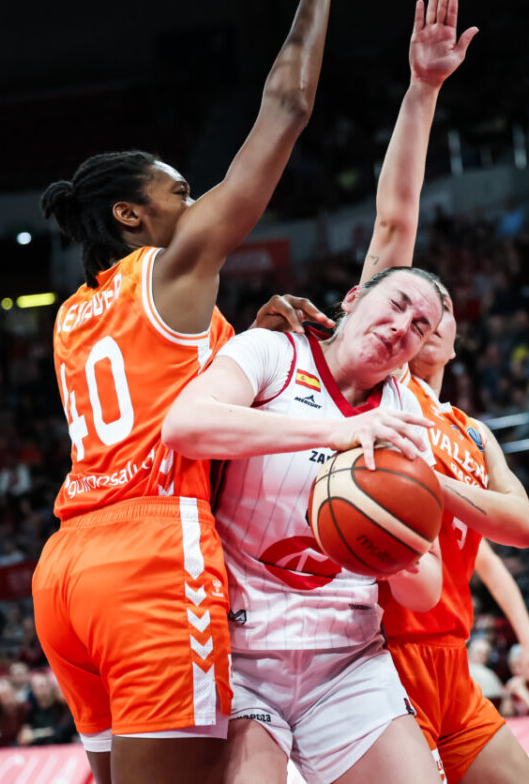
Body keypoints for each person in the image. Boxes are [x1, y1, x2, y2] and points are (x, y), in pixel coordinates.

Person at [30, 0, 337, 784]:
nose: (195, 199)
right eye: (178, 189)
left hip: (68, 570)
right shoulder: (173, 264)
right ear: (131, 217)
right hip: (155, 559)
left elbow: (174, 371)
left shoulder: (76, 315)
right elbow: (284, 111)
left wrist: (248, 335)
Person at [348, 0, 529, 784]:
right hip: (384, 660)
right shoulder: (385, 387)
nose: (422, 315)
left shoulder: (472, 433)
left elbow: (523, 528)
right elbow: (395, 220)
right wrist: (422, 91)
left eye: (439, 309)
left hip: (453, 661)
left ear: (455, 333)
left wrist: (443, 484)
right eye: (411, 304)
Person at [163, 266, 448, 784]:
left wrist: (396, 548)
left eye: (421, 327)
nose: (402, 327)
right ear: (354, 297)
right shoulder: (272, 350)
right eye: (398, 304)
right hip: (239, 655)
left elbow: (426, 590)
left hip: (346, 658)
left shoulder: (404, 415)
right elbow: (185, 426)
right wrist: (337, 431)